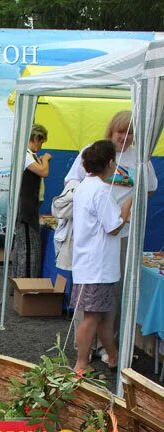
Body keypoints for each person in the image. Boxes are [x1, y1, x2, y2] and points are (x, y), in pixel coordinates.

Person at [64, 110, 158, 359]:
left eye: (131, 134)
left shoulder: (140, 158)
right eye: (122, 132)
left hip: (122, 234)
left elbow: (149, 189)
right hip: (98, 234)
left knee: (112, 293)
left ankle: (108, 348)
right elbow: (71, 181)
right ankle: (84, 348)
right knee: (89, 296)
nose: (126, 138)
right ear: (111, 131)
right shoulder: (94, 153)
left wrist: (130, 207)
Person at [71, 140, 132, 375]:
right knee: (92, 317)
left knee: (104, 316)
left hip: (92, 263)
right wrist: (127, 205)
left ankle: (114, 357)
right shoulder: (101, 191)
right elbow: (113, 227)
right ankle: (81, 363)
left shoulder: (85, 186)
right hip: (97, 265)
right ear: (109, 163)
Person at [12, 124, 52, 280]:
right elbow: (44, 172)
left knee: (25, 247)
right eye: (41, 142)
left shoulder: (30, 156)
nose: (41, 146)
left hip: (30, 208)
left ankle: (19, 285)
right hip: (26, 210)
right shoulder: (26, 155)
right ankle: (25, 285)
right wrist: (46, 159)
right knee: (28, 251)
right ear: (36, 138)